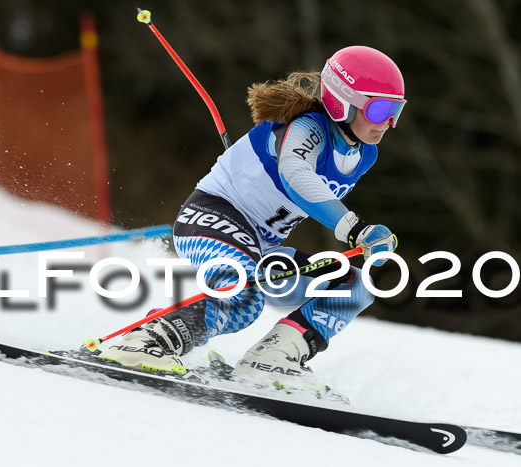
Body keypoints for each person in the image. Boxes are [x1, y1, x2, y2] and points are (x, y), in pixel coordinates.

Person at [99, 45, 403, 392]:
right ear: (341, 101)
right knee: (243, 294)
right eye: (380, 109)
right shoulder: (308, 128)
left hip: (261, 246)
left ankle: (272, 360)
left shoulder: (364, 153)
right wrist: (354, 228)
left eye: (396, 111)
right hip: (211, 217)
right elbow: (296, 174)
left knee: (353, 285)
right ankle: (143, 343)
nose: (389, 123)